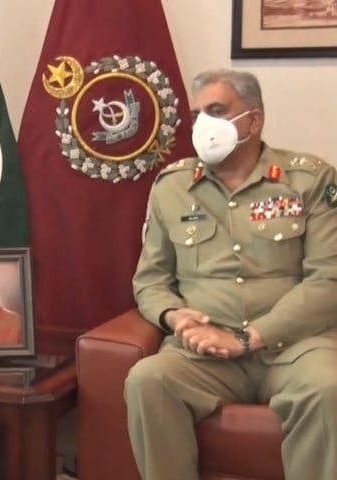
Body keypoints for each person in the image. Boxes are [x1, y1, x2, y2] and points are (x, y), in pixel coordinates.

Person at [126, 68, 337, 479]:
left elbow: (328, 279)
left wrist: (247, 338)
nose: (204, 123)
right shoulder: (171, 186)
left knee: (329, 389)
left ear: (253, 120)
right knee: (147, 380)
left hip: (294, 347)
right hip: (203, 352)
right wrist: (174, 316)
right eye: (196, 114)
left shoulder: (310, 179)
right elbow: (150, 280)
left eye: (217, 110)